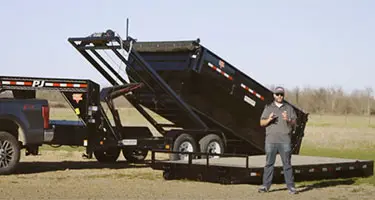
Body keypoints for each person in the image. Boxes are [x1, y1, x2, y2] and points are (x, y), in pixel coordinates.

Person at [258, 86, 298, 194]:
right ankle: (265, 186)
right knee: (269, 164)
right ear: (274, 95)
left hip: (285, 140)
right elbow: (261, 123)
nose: (279, 96)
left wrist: (288, 120)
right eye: (277, 94)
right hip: (271, 140)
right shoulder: (268, 107)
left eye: (281, 94)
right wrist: (269, 119)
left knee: (287, 164)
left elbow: (294, 124)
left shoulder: (289, 108)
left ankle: (291, 187)